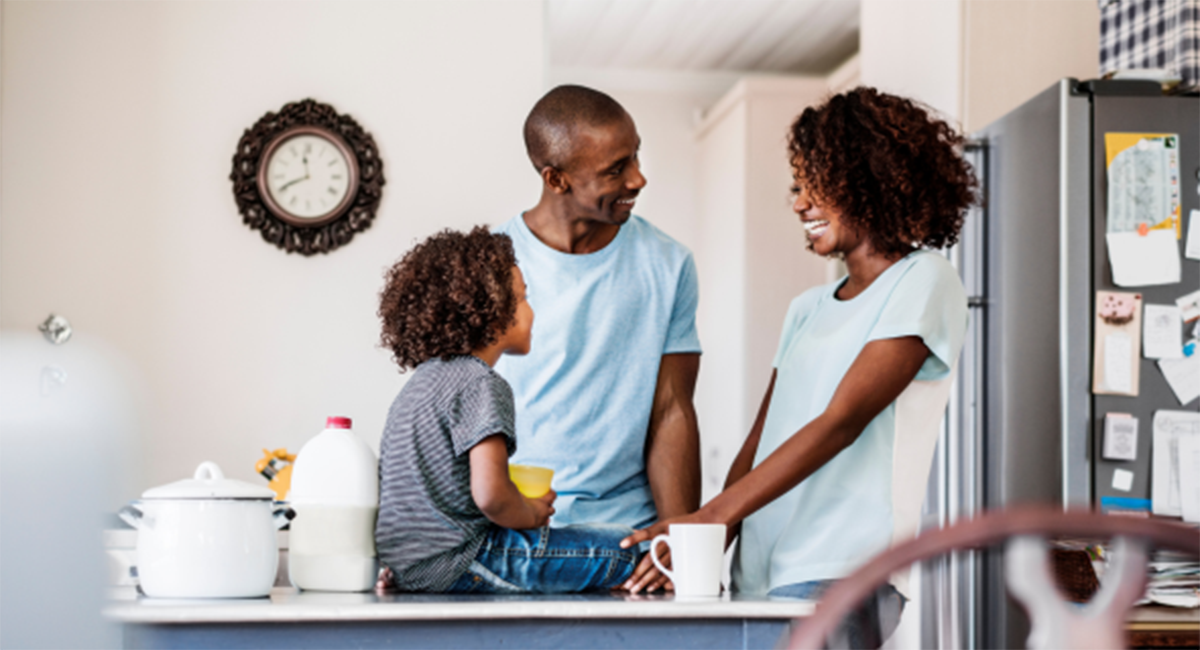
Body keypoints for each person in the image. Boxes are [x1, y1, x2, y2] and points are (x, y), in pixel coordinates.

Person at [623, 87, 977, 647]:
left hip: (843, 568)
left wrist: (711, 515)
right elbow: (763, 438)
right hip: (761, 572)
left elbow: (842, 421)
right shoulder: (807, 309)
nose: (800, 204)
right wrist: (707, 539)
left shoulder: (925, 281)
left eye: (818, 185)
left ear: (871, 178)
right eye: (797, 187)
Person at [492, 85, 702, 593]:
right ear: (555, 179)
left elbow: (672, 409)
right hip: (514, 539)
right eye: (615, 169)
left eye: (635, 155)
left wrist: (681, 543)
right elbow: (452, 409)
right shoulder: (492, 265)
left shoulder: (669, 263)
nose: (638, 178)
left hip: (626, 545)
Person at [374, 227, 639, 593]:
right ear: (494, 312)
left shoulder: (418, 387)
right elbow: (491, 495)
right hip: (464, 559)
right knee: (627, 550)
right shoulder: (481, 383)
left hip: (408, 567)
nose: (531, 310)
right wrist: (530, 513)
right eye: (523, 299)